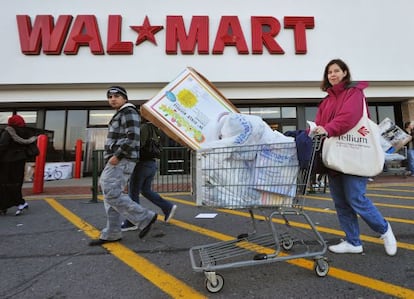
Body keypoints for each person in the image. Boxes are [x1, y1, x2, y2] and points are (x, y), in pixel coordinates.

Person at [311, 59, 397, 256]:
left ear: (344, 73)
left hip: (353, 154)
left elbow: (349, 117)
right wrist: (316, 129)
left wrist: (328, 129)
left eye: (336, 71)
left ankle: (384, 230)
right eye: (329, 72)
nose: (332, 75)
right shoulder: (326, 101)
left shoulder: (354, 93)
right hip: (334, 156)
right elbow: (320, 123)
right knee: (341, 202)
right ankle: (353, 241)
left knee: (356, 199)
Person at [89, 86, 158, 246]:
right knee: (109, 196)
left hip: (122, 159)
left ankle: (145, 217)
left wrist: (117, 155)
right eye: (110, 96)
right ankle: (112, 233)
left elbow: (133, 137)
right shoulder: (121, 113)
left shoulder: (128, 111)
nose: (112, 98)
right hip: (117, 159)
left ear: (125, 98)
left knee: (111, 192)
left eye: (117, 96)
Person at [121, 118, 177, 231]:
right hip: (151, 164)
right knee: (145, 190)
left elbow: (137, 145)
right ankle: (167, 207)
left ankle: (133, 221)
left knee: (133, 193)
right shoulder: (154, 129)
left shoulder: (142, 128)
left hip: (141, 164)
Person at [0, 114, 38, 215]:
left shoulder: (9, 131)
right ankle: (18, 202)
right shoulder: (27, 132)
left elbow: (3, 146)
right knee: (16, 182)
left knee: (4, 182)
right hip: (20, 160)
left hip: (7, 161)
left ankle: (7, 204)